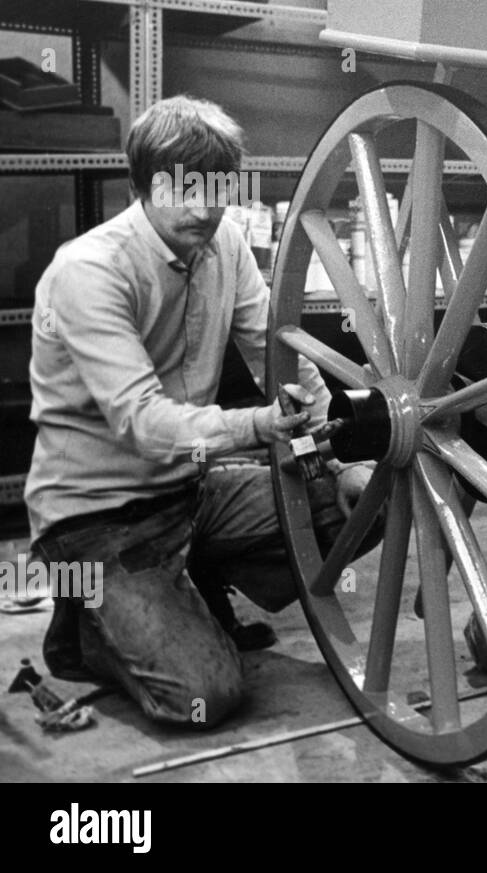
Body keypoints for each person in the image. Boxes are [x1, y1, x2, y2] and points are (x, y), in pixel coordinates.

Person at [25, 95, 374, 727]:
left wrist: (341, 450)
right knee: (201, 699)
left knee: (362, 499)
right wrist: (255, 426)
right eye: (176, 188)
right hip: (94, 518)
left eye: (213, 187)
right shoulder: (88, 272)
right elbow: (142, 422)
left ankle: (189, 582)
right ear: (139, 186)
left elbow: (278, 351)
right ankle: (86, 628)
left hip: (189, 492)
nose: (199, 206)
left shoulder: (227, 243)